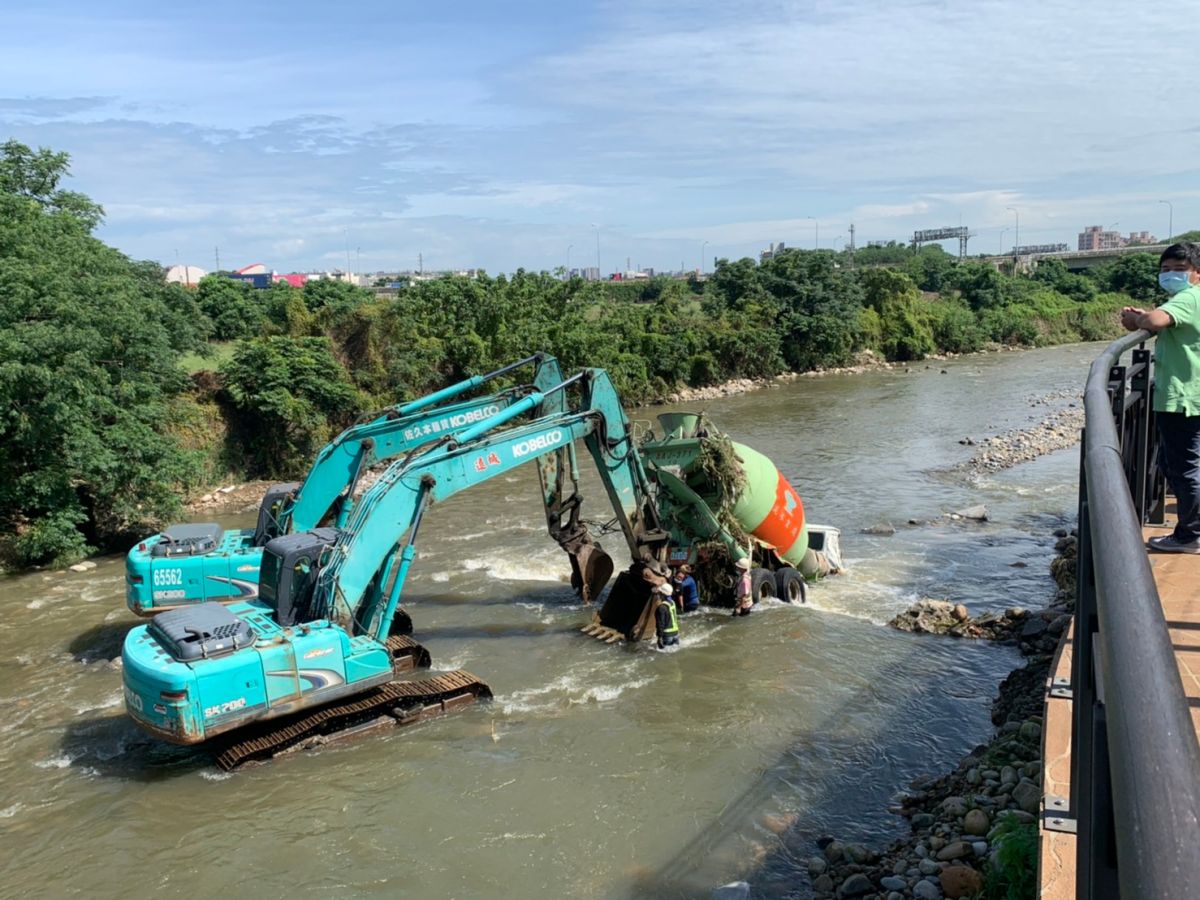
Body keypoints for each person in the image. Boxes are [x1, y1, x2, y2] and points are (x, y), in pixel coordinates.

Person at [1120, 242, 1200, 552]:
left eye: (1180, 270)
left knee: (1183, 467)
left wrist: (1142, 320)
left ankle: (1189, 536)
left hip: (1181, 397)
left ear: (1196, 274)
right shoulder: (1189, 300)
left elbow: (1155, 322)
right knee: (1178, 463)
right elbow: (1162, 321)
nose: (1170, 275)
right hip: (1189, 394)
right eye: (1165, 269)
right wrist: (1145, 318)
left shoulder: (1188, 298)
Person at [654, 582, 680, 648]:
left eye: (659, 592)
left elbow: (660, 623)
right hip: (676, 634)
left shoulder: (662, 607)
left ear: (662, 594)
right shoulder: (672, 602)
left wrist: (659, 637)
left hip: (667, 635)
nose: (658, 594)